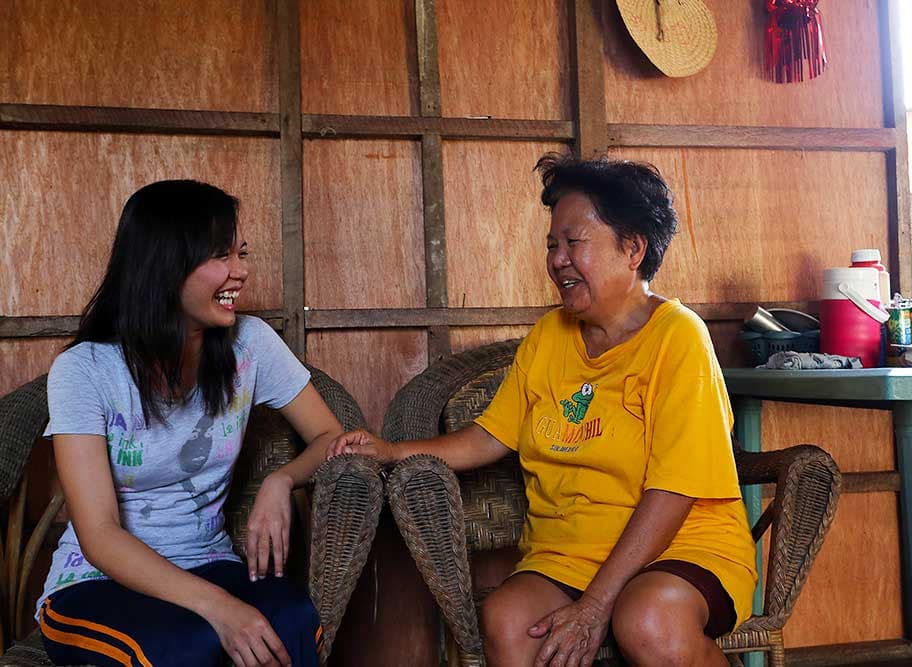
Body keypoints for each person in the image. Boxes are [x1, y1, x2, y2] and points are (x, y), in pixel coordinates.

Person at [328, 155, 757, 666]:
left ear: (633, 249)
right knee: (509, 621)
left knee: (648, 621)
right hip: (568, 553)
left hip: (679, 549)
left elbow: (675, 489)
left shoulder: (678, 338)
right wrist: (391, 450)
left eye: (574, 243)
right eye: (552, 245)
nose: (557, 259)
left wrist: (597, 603)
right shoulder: (549, 336)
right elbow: (490, 436)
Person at [38, 180, 345, 667]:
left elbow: (331, 436)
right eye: (221, 256)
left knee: (291, 620)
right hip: (93, 583)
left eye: (241, 253)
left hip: (209, 561)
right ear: (165, 265)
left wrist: (281, 481)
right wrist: (220, 608)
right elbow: (98, 533)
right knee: (187, 647)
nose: (240, 272)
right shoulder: (84, 371)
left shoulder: (252, 344)